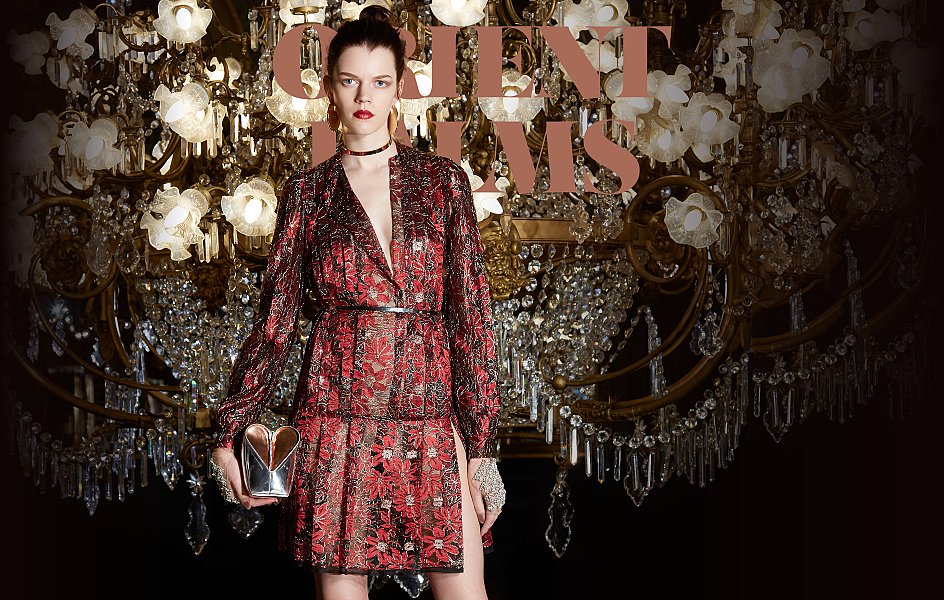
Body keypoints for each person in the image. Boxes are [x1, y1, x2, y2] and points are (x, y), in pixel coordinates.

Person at [208, 6, 505, 599]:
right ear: (328, 88)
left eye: (379, 81)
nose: (364, 97)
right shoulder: (308, 192)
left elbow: (472, 318)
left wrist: (481, 449)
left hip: (428, 416)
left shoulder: (443, 181)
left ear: (399, 88)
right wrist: (227, 432)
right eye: (349, 80)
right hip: (335, 419)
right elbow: (275, 321)